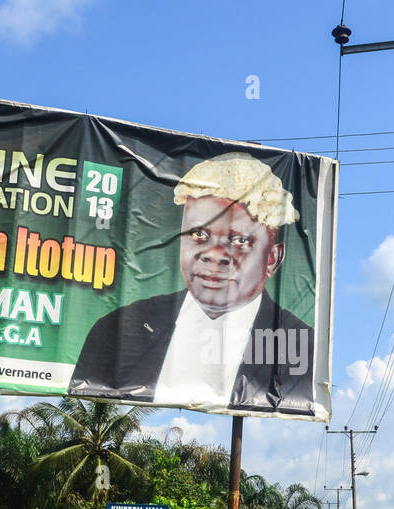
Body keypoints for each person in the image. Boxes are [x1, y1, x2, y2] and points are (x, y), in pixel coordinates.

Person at [68, 152, 315, 414]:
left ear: (273, 259)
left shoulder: (302, 348)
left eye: (240, 241)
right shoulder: (118, 330)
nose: (215, 254)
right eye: (199, 234)